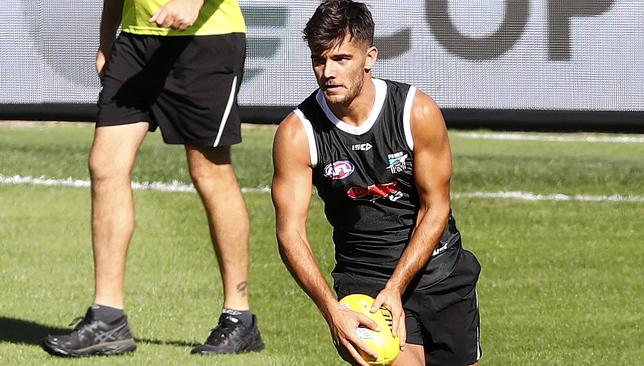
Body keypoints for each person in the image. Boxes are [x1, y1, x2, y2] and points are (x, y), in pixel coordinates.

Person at [41, 0, 263, 357]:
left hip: (205, 39)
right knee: (105, 164)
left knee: (208, 170)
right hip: (136, 43)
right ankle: (107, 317)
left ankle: (239, 317)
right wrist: (106, 37)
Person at [272, 1, 481, 365]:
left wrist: (397, 286)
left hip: (438, 270)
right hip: (363, 281)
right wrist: (331, 310)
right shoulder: (297, 133)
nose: (328, 72)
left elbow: (436, 208)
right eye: (319, 60)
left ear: (369, 57)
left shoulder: (416, 113)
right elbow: (291, 235)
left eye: (341, 59)